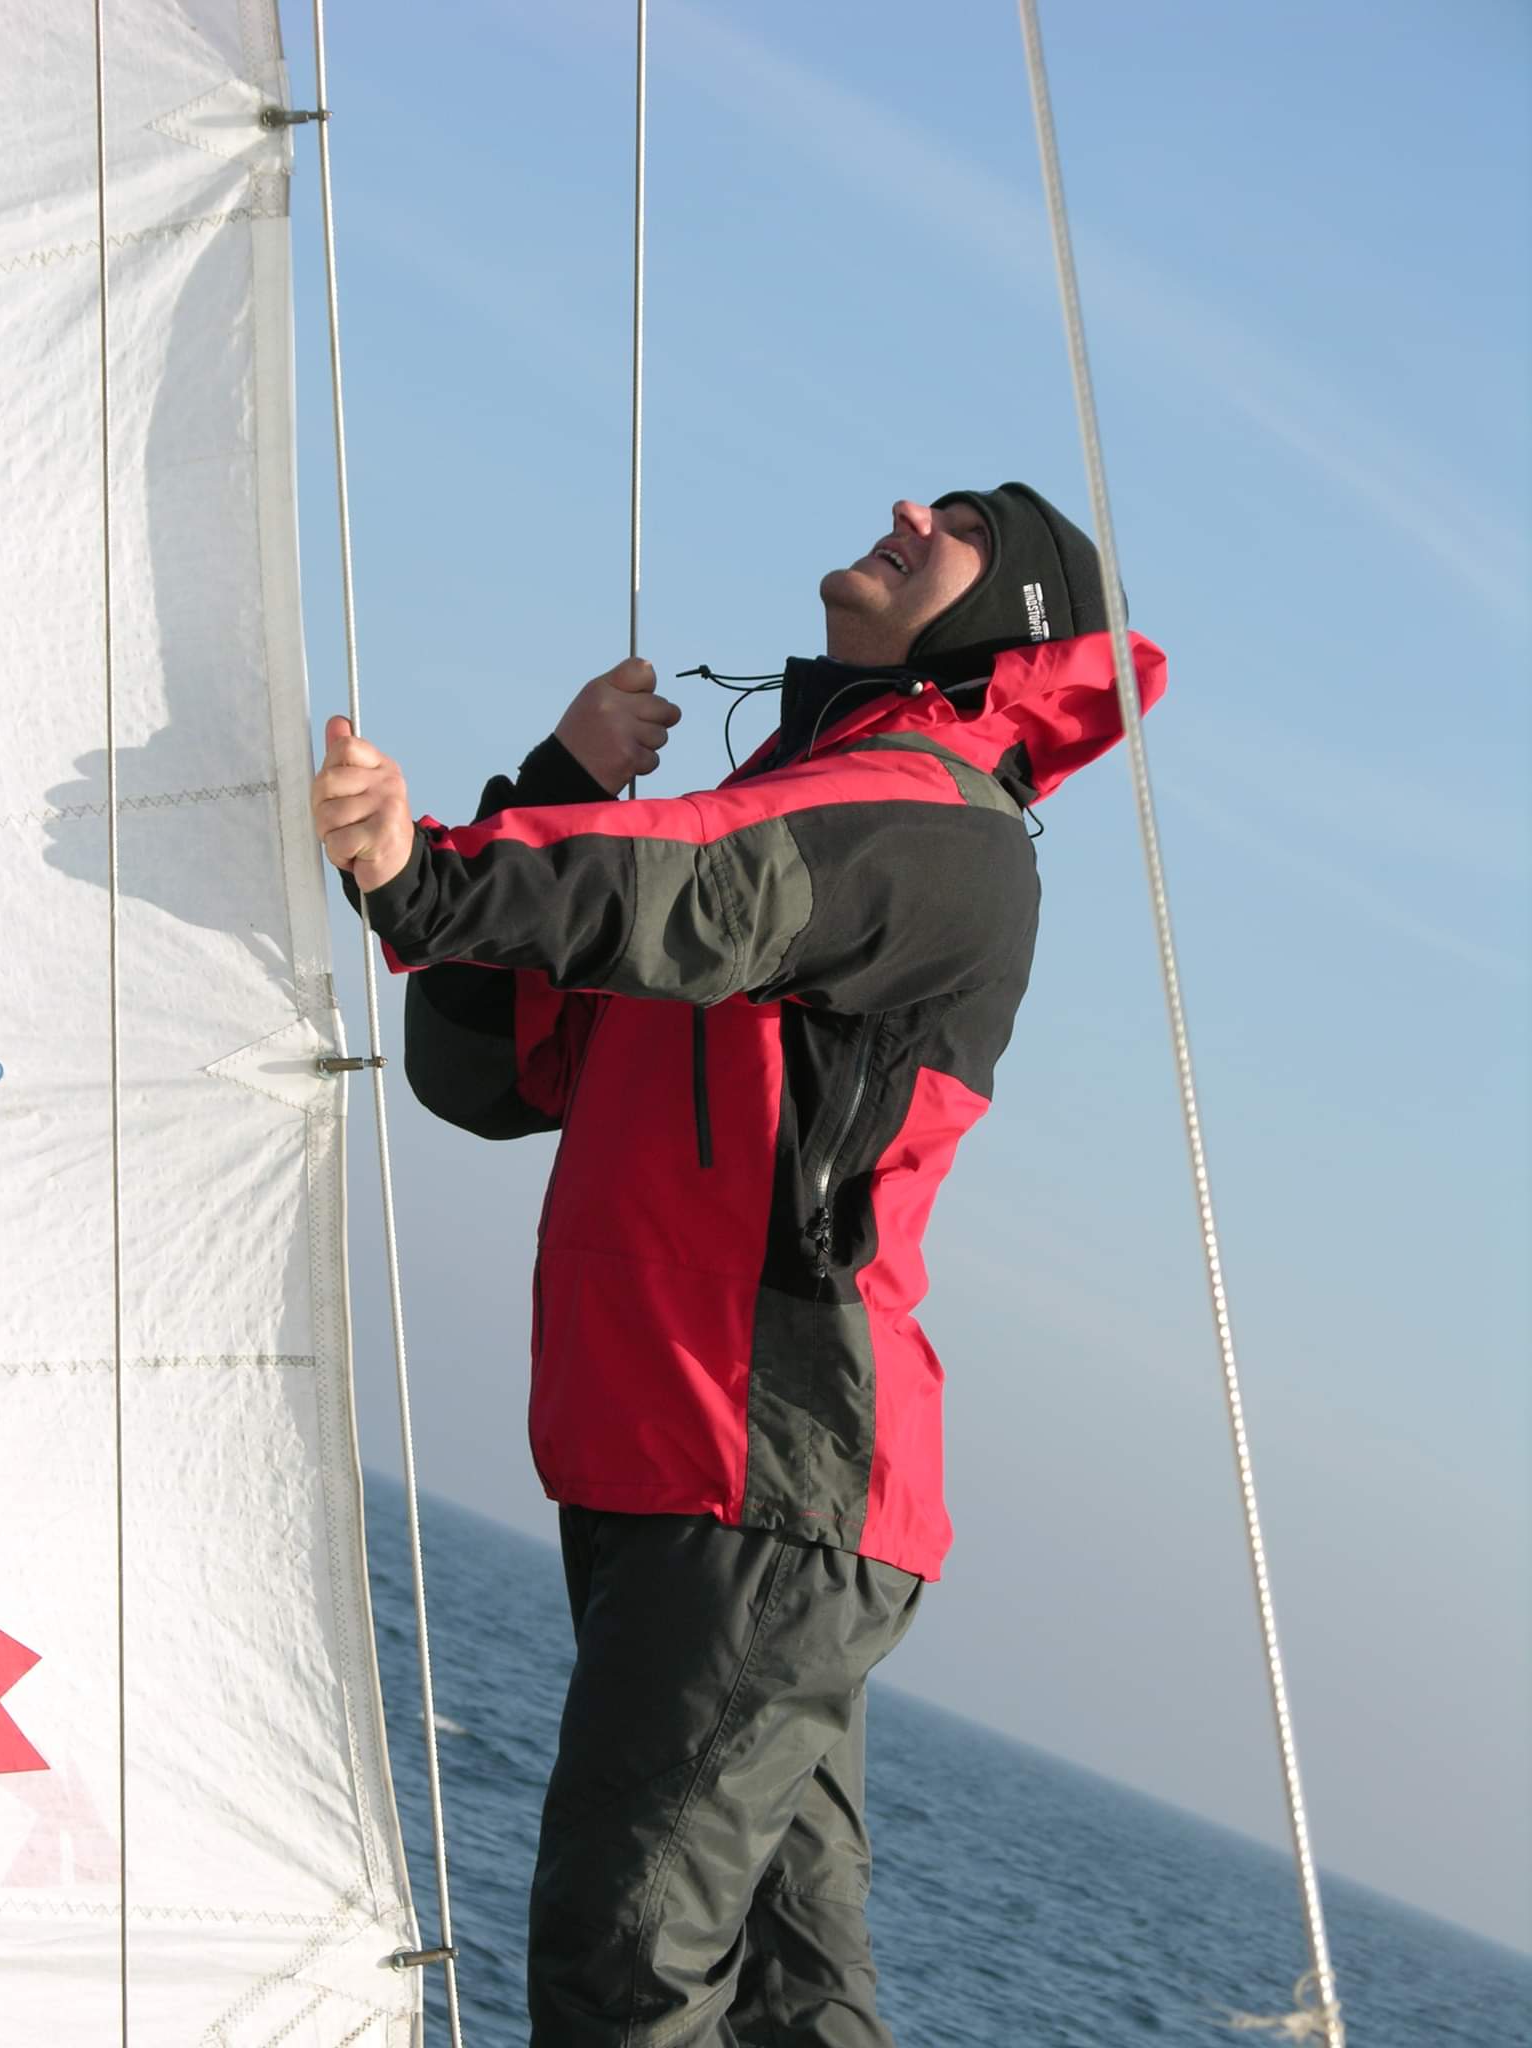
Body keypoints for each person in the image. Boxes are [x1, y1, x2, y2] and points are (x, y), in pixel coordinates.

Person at [311, 485, 1166, 2046]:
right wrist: (557, 783)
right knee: (785, 1997)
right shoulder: (803, 808)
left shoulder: (933, 829)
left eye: (963, 523)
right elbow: (487, 1074)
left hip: (760, 1479)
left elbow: (703, 877)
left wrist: (424, 874)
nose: (910, 508)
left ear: (1009, 621)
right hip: (699, 1476)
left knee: (627, 1964)